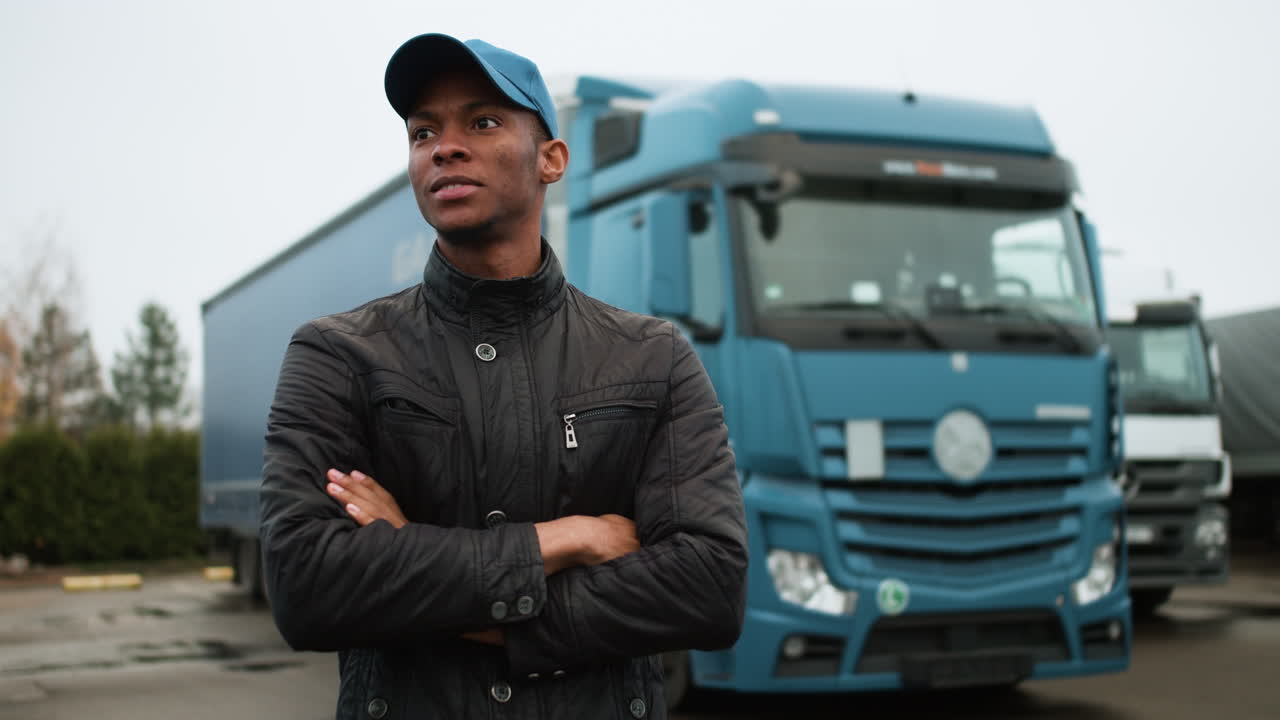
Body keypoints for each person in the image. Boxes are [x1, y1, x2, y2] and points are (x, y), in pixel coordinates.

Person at [259, 33, 748, 719]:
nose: (444, 146)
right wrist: (568, 539)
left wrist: (420, 573)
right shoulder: (338, 355)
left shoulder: (652, 358)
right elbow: (308, 586)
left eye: (482, 122)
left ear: (552, 159)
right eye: (423, 130)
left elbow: (709, 588)